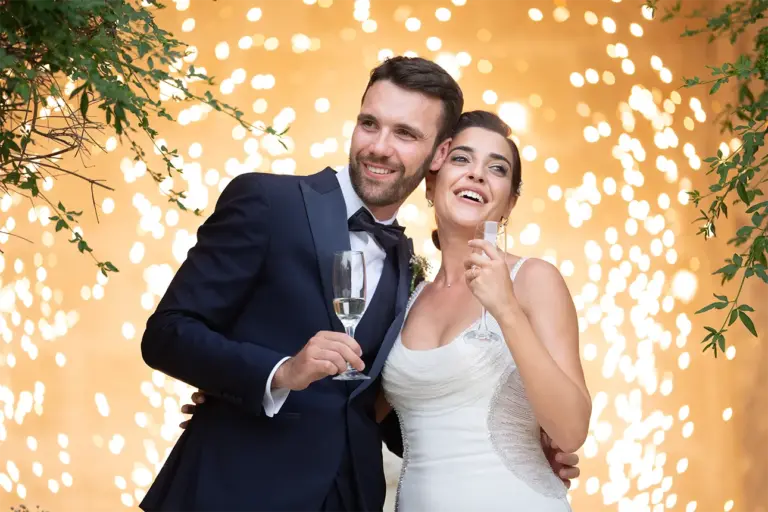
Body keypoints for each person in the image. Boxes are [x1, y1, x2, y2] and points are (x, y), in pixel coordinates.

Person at [141, 56, 580, 512]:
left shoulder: (408, 271)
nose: (380, 147)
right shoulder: (269, 201)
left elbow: (375, 405)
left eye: (406, 134)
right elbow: (168, 333)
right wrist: (274, 375)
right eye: (370, 124)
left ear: (437, 155)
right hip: (232, 492)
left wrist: (523, 440)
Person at [380, 110, 591, 510]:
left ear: (509, 202)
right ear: (430, 182)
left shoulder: (534, 279)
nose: (477, 174)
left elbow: (571, 430)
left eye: (497, 168)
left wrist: (506, 310)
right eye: (461, 159)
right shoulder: (406, 295)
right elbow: (359, 412)